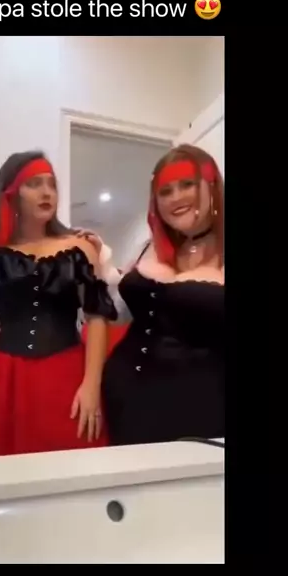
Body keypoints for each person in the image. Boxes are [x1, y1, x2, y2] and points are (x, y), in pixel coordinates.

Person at [0, 151, 117, 459]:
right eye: (34, 184)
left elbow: (97, 316)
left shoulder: (79, 247)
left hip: (65, 371)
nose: (47, 192)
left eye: (51, 184)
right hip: (0, 377)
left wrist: (91, 385)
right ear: (11, 193)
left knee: (71, 464)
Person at [78, 143, 224, 446]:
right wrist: (101, 265)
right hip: (125, 391)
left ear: (211, 186)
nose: (176, 197)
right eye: (165, 191)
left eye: (187, 184)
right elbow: (120, 313)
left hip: (203, 403)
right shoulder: (148, 247)